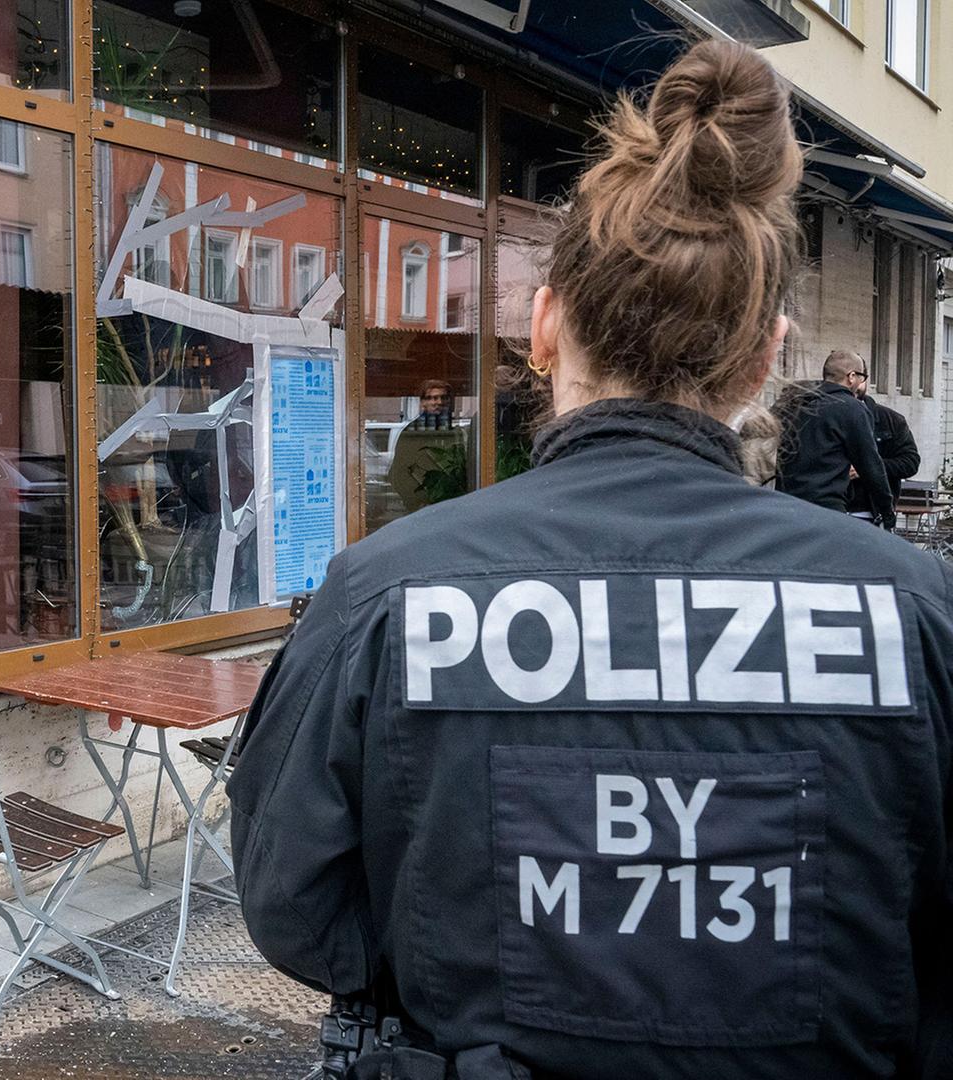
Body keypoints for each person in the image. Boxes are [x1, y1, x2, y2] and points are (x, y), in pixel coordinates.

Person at [230, 40, 953, 1079]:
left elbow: (295, 907)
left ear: (543, 327)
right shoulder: (917, 613)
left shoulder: (385, 594)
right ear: (765, 355)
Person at [775, 350, 893, 526]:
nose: (862, 382)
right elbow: (870, 464)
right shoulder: (851, 409)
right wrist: (886, 510)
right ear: (851, 376)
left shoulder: (795, 402)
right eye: (862, 377)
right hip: (826, 508)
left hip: (785, 504)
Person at [833, 350, 921, 520]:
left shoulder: (891, 420)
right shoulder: (822, 416)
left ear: (862, 379)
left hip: (871, 511)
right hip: (831, 512)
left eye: (855, 380)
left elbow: (910, 463)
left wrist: (868, 468)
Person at [388, 379, 466, 513]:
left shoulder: (456, 433)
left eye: (444, 398)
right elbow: (399, 474)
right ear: (423, 402)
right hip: (423, 507)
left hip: (454, 505)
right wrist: (417, 503)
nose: (439, 402)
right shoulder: (412, 432)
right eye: (432, 398)